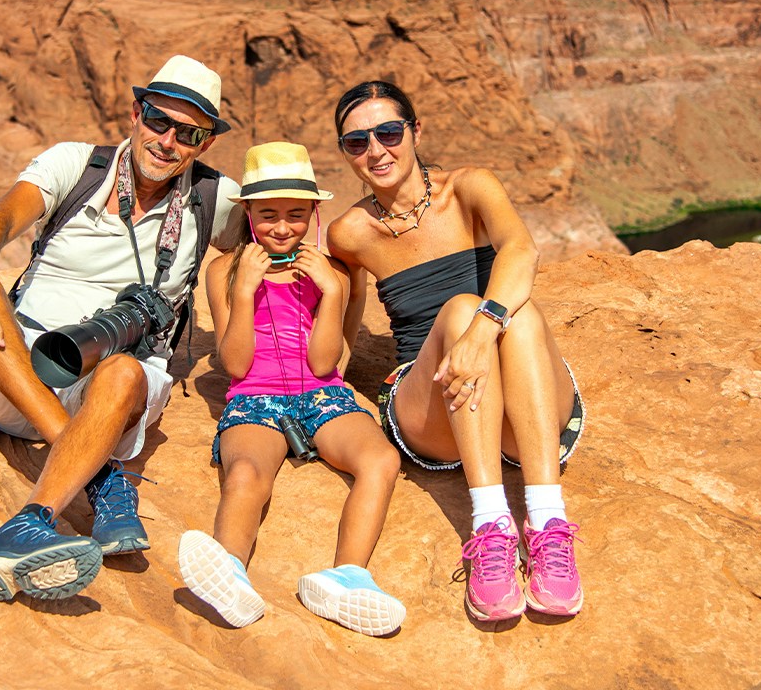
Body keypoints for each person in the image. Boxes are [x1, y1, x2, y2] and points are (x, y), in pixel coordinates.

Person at [0, 55, 242, 603]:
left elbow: (282, 227)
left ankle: (29, 523)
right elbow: (1, 219)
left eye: (189, 133)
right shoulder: (75, 166)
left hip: (107, 388)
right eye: (158, 121)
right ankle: (104, 475)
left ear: (205, 143)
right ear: (135, 113)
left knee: (125, 371)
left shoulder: (213, 199)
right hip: (12, 365)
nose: (168, 141)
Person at [325, 81, 587, 620]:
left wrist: (480, 332)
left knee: (512, 311)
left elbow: (521, 249)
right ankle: (491, 528)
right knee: (462, 308)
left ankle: (546, 524)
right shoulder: (349, 232)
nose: (376, 150)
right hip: (431, 410)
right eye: (356, 142)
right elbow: (344, 326)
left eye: (389, 132)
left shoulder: (470, 187)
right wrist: (322, 395)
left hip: (522, 408)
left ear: (416, 132)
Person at [179, 142, 405, 636]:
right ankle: (230, 572)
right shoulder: (224, 271)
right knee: (245, 473)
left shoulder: (334, 273)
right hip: (254, 396)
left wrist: (331, 291)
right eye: (269, 215)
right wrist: (244, 292)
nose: (283, 227)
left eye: (296, 215)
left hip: (321, 392)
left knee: (380, 460)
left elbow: (327, 363)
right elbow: (235, 365)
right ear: (248, 213)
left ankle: (348, 577)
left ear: (314, 213)